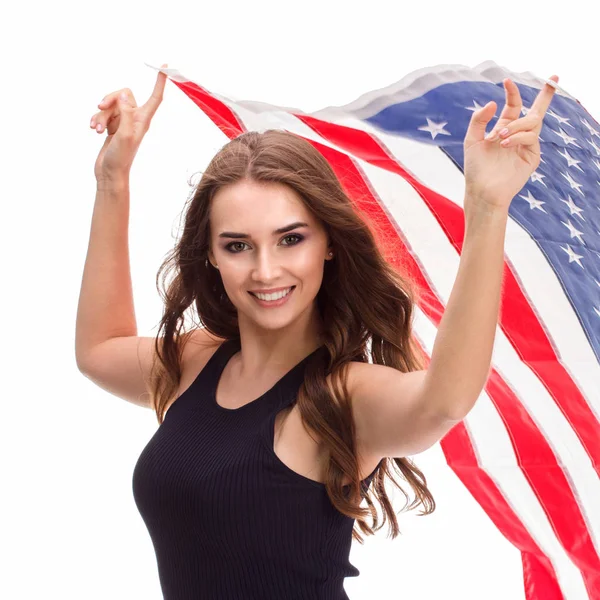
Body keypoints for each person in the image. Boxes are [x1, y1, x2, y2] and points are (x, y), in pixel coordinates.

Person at [76, 64, 559, 599]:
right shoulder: (198, 362)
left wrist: (487, 209)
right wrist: (112, 180)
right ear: (210, 256)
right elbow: (99, 350)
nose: (266, 271)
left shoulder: (344, 396)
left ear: (328, 242)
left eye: (290, 240)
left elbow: (443, 401)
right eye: (238, 245)